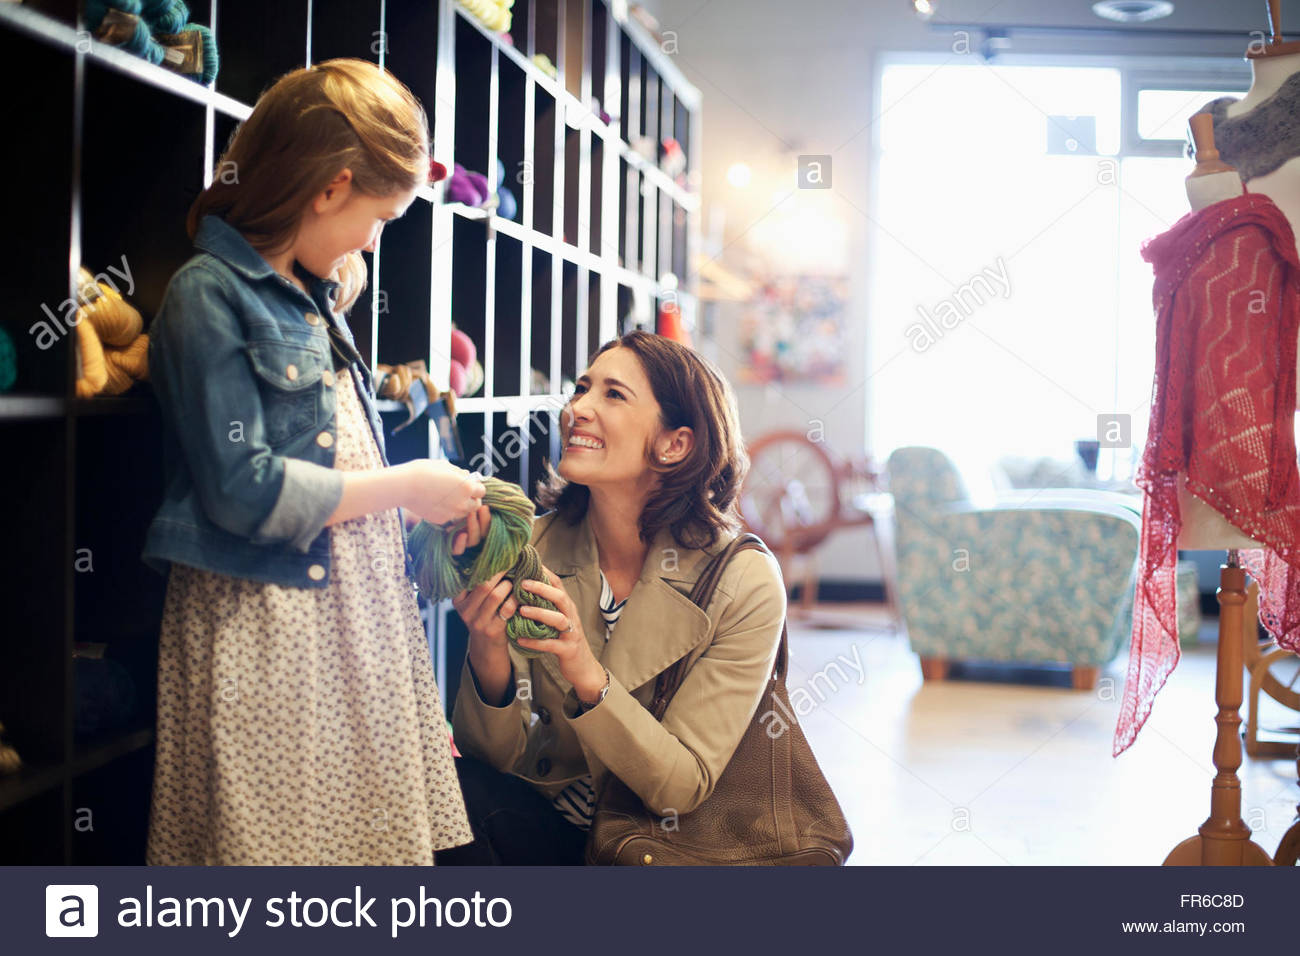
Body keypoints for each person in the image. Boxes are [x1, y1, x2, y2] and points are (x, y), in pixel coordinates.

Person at [142, 59, 482, 864]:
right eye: (378, 216)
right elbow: (243, 488)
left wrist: (412, 506)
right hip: (271, 624)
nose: (374, 239)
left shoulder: (312, 297)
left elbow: (328, 457)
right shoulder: (210, 295)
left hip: (352, 615)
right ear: (327, 190)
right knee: (271, 854)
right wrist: (405, 485)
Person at [437, 331, 786, 865]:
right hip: (553, 831)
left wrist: (583, 669)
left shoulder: (744, 582)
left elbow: (679, 787)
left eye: (613, 395)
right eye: (581, 389)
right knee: (445, 791)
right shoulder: (533, 544)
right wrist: (486, 649)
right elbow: (490, 765)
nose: (579, 407)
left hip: (665, 853)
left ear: (675, 444)